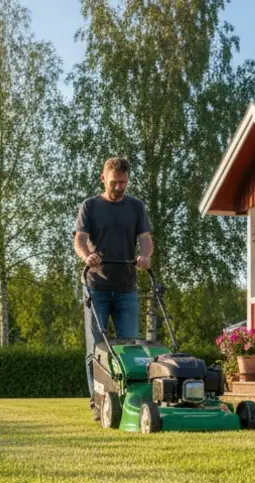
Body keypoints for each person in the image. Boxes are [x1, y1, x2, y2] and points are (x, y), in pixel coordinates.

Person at [74, 156, 154, 419]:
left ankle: (129, 401)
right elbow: (80, 240)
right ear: (103, 178)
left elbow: (145, 240)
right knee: (96, 348)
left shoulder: (136, 207)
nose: (119, 187)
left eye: (123, 182)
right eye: (114, 182)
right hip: (96, 286)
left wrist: (144, 257)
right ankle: (98, 404)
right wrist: (88, 257)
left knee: (130, 348)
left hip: (127, 287)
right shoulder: (90, 206)